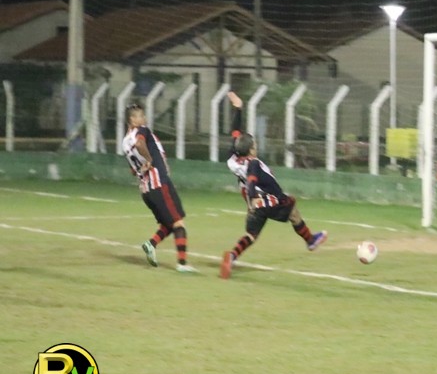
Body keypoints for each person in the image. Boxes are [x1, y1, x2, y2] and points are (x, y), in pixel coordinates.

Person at [219, 91, 327, 279]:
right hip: (267, 199)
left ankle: (232, 256)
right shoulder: (253, 163)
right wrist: (254, 198)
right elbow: (252, 180)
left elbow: (235, 133)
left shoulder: (232, 159)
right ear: (251, 149)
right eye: (254, 145)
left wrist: (238, 108)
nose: (256, 146)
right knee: (292, 209)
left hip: (255, 204)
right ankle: (310, 240)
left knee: (251, 234)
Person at [121, 102, 197, 272]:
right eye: (140, 116)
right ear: (132, 119)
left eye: (143, 115)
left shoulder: (125, 142)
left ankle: (151, 244)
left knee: (168, 223)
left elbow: (133, 170)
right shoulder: (142, 130)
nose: (144, 119)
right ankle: (182, 264)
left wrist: (148, 163)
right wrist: (150, 160)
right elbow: (140, 144)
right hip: (158, 183)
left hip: (146, 189)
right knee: (178, 222)